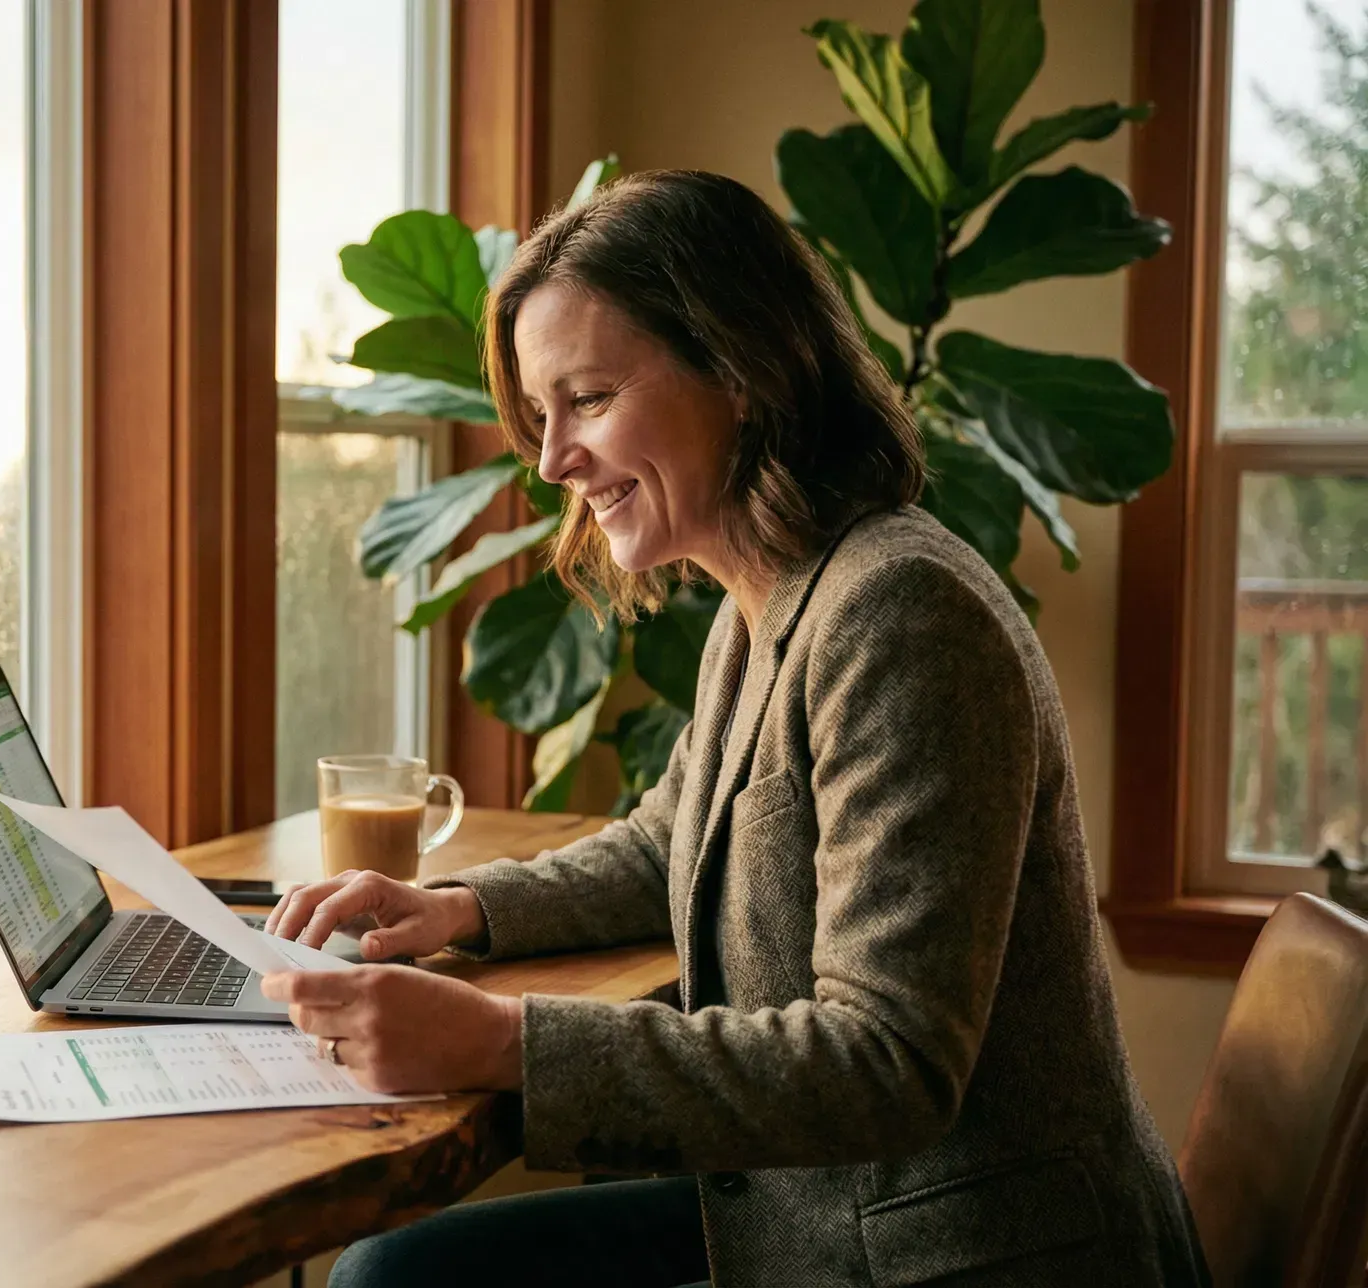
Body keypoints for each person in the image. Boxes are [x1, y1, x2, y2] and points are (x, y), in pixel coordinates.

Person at [264, 169, 1208, 1287]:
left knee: (396, 1283)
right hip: (831, 1215)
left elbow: (888, 1061)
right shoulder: (765, 593)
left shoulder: (902, 614)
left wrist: (498, 1039)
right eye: (542, 411)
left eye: (591, 398)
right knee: (401, 1274)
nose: (552, 458)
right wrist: (461, 908)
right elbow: (676, 838)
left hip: (971, 1254)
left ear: (743, 372)